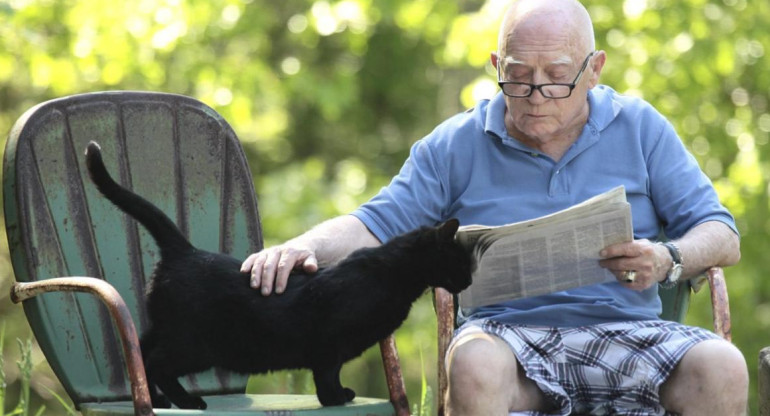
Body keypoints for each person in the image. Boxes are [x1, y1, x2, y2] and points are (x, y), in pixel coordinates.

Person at [241, 0, 748, 414]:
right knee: (473, 363)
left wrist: (667, 259)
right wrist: (301, 247)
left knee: (723, 367)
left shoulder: (641, 128)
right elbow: (376, 223)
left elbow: (721, 233)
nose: (533, 96)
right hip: (508, 343)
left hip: (627, 333)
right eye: (518, 75)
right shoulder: (458, 143)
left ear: (595, 70)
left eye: (555, 77)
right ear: (495, 67)